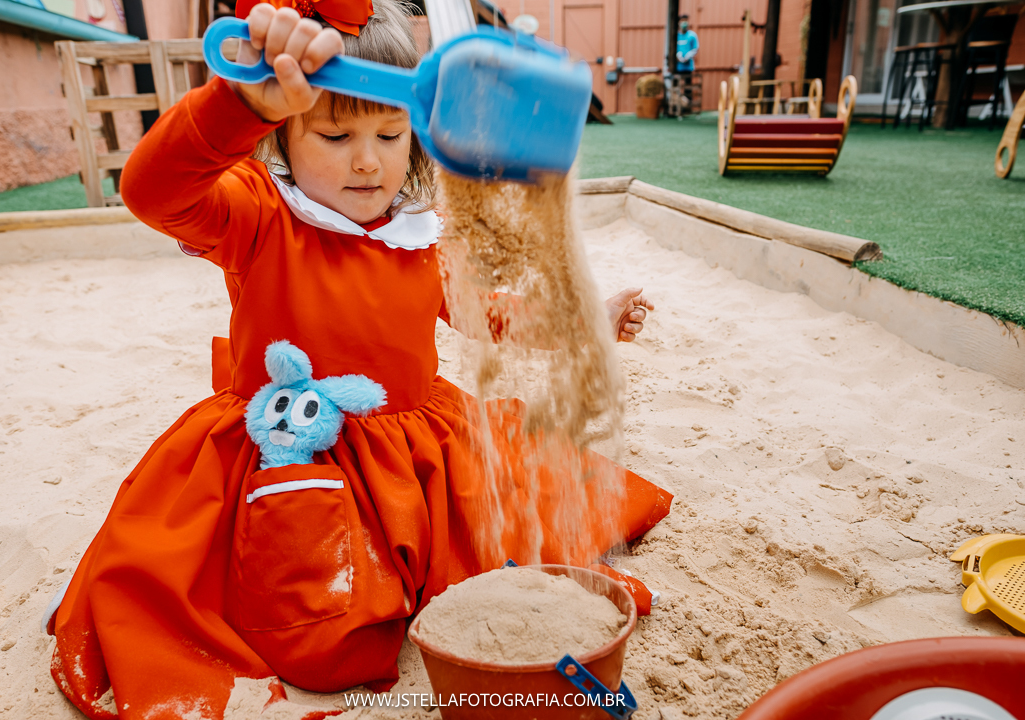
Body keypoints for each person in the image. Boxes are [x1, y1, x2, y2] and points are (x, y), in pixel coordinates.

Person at [44, 0, 673, 717]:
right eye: (336, 133)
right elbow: (152, 190)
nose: (368, 159)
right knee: (324, 638)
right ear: (280, 135)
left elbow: (485, 314)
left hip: (418, 451)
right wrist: (237, 103)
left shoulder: (417, 231)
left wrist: (583, 319)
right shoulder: (256, 213)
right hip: (298, 446)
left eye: (390, 130)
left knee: (531, 528)